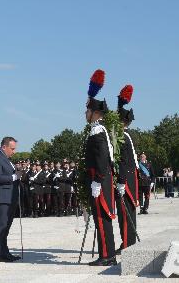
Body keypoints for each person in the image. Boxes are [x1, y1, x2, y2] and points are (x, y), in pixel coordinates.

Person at [84, 69, 116, 266]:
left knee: (102, 218)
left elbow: (102, 157)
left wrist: (97, 180)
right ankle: (108, 253)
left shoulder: (97, 131)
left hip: (99, 180)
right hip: (101, 180)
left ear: (95, 113)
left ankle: (106, 256)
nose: (85, 114)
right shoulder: (99, 129)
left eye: (87, 111)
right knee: (101, 218)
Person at [0, 136, 23, 263]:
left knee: (6, 227)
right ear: (4, 147)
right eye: (12, 149)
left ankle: (5, 252)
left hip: (9, 197)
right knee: (1, 226)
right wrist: (15, 176)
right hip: (2, 198)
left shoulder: (6, 159)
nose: (14, 151)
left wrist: (18, 172)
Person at [115, 85, 139, 254]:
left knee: (126, 213)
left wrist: (121, 181)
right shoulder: (125, 134)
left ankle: (127, 244)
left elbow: (124, 161)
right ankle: (127, 241)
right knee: (126, 213)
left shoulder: (123, 136)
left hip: (126, 179)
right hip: (129, 178)